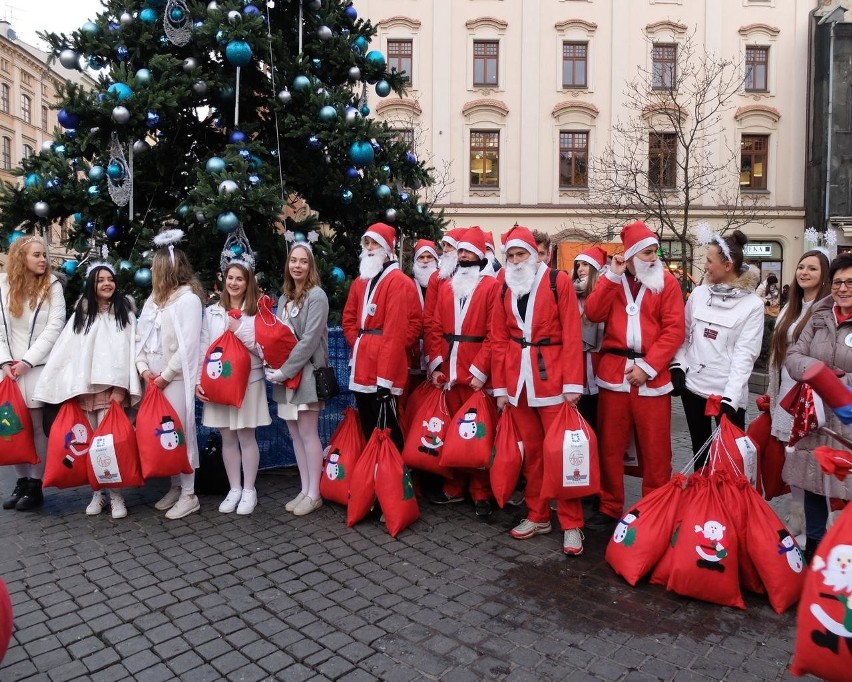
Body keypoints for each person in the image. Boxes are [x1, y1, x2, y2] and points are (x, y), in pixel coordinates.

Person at [491, 226, 587, 555]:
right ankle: (538, 514)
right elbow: (500, 338)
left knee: (560, 455)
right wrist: (501, 388)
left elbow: (573, 333)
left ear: (534, 254)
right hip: (518, 383)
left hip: (553, 381)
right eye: (511, 255)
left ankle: (572, 524)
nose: (516, 261)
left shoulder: (556, 281)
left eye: (521, 254)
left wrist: (574, 384)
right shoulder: (504, 286)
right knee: (532, 454)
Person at [583, 221, 685, 530]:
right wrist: (612, 276)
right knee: (611, 446)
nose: (654, 257)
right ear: (630, 256)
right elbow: (593, 312)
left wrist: (648, 367)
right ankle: (610, 506)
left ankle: (653, 509)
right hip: (614, 374)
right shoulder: (611, 280)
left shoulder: (667, 283)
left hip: (651, 376)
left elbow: (674, 330)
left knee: (656, 449)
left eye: (655, 251)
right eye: (646, 252)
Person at [33, 262, 142, 518]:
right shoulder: (81, 316)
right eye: (100, 280)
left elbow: (128, 352)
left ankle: (116, 496)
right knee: (90, 444)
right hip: (84, 392)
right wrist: (67, 387)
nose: (106, 283)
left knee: (109, 445)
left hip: (111, 392)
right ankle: (98, 493)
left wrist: (121, 388)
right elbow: (66, 353)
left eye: (110, 279)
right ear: (92, 285)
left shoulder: (124, 315)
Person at [670, 230, 764, 467]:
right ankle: (701, 501)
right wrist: (678, 365)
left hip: (726, 396)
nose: (705, 266)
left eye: (710, 261)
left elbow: (746, 354)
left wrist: (731, 398)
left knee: (728, 459)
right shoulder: (699, 294)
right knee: (699, 455)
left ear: (727, 264)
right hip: (694, 389)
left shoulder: (752, 305)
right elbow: (684, 334)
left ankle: (727, 503)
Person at [424, 227, 498, 517]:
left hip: (475, 372)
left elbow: (495, 334)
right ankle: (454, 486)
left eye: (469, 252)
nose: (464, 257)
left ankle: (481, 490)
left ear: (479, 256)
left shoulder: (491, 287)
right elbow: (433, 328)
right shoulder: (446, 287)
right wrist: (436, 364)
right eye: (461, 251)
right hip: (449, 370)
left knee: (477, 433)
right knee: (451, 430)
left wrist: (481, 370)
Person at [785, 251, 852, 561]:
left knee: (846, 485)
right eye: (837, 282)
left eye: (850, 282)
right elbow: (794, 357)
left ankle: (843, 552)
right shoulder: (820, 313)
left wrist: (841, 383)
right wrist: (824, 375)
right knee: (811, 479)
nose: (842, 288)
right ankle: (814, 546)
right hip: (816, 415)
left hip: (848, 420)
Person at [136, 230, 204, 520]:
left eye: (155, 266)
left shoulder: (188, 301)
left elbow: (189, 345)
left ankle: (189, 493)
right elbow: (139, 338)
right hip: (153, 378)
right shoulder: (152, 301)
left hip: (173, 379)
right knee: (163, 434)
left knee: (180, 432)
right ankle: (175, 485)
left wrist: (165, 374)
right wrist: (143, 369)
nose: (151, 270)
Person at [196, 257, 270, 516]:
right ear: (223, 280)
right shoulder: (212, 311)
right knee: (228, 437)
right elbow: (204, 346)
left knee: (246, 437)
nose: (234, 283)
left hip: (249, 382)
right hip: (219, 385)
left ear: (248, 282)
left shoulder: (258, 312)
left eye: (240, 278)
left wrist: (239, 329)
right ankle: (234, 488)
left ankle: (249, 489)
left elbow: (263, 348)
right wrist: (199, 381)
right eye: (230, 278)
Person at [765, 250, 831, 537]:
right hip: (787, 394)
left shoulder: (825, 309)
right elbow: (776, 357)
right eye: (801, 267)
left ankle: (818, 526)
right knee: (792, 461)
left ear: (824, 275)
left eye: (812, 269)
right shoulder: (790, 308)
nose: (804, 272)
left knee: (812, 463)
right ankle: (797, 518)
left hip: (812, 398)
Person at [0, 235, 65, 511]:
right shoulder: (2, 285)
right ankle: (22, 481)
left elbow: (55, 326)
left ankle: (35, 485)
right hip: (7, 373)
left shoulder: (52, 286)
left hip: (36, 370)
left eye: (44, 255)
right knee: (11, 427)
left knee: (38, 428)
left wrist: (27, 361)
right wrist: (4, 362)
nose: (43, 260)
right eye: (37, 255)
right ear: (21, 258)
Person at [266, 243, 329, 516]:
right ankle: (304, 489)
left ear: (310, 266)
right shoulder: (284, 299)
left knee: (307, 433)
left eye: (303, 261)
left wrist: (286, 370)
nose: (298, 266)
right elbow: (278, 337)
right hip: (286, 377)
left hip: (306, 374)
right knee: (294, 434)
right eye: (293, 260)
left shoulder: (317, 296)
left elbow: (309, 340)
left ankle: (315, 493)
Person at [342, 223, 417, 450]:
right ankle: (372, 475)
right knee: (368, 426)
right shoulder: (360, 281)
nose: (371, 247)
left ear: (387, 248)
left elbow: (396, 332)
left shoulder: (399, 283)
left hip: (386, 367)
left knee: (389, 429)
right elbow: (349, 319)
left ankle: (393, 477)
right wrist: (361, 343)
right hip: (362, 363)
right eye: (368, 243)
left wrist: (384, 375)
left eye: (376, 243)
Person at [573, 245, 607, 433]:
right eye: (578, 265)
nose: (580, 269)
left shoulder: (604, 291)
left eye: (585, 264)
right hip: (577, 360)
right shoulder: (572, 291)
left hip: (598, 359)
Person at [407, 239, 438, 393]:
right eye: (421, 257)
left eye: (429, 257)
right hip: (413, 352)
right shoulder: (408, 284)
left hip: (437, 351)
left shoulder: (443, 284)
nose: (425, 261)